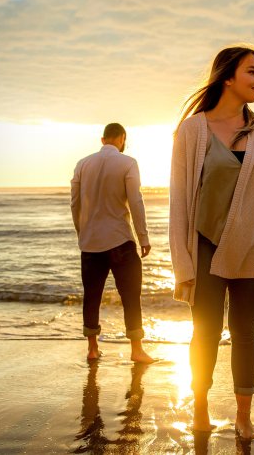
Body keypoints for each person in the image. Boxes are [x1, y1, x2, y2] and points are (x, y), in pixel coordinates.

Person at [169, 45, 254, 439]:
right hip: (205, 247)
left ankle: (243, 417)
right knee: (204, 332)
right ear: (227, 78)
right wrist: (182, 262)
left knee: (245, 332)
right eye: (251, 72)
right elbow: (180, 201)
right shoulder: (192, 130)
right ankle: (200, 409)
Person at [71, 123, 154, 363]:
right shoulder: (128, 163)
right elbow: (136, 202)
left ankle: (93, 348)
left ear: (102, 139)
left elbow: (74, 204)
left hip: (90, 243)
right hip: (120, 240)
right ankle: (137, 350)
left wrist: (82, 233)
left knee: (92, 296)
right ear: (122, 138)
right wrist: (143, 237)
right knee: (130, 295)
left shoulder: (82, 164)